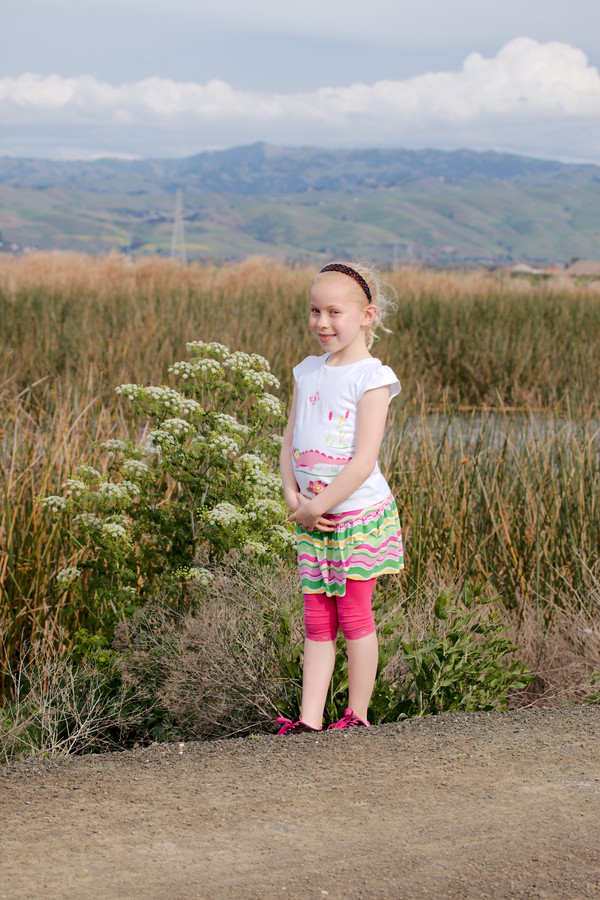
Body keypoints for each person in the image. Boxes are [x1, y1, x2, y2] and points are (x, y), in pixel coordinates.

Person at [276, 261, 404, 735]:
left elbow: (363, 460)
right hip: (312, 516)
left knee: (353, 614)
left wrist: (315, 505)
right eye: (314, 311)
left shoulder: (372, 377)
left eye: (334, 312)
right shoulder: (307, 371)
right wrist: (294, 496)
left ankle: (357, 713)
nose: (322, 323)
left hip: (354, 515)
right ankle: (309, 719)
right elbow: (289, 439)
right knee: (315, 617)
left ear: (367, 315)